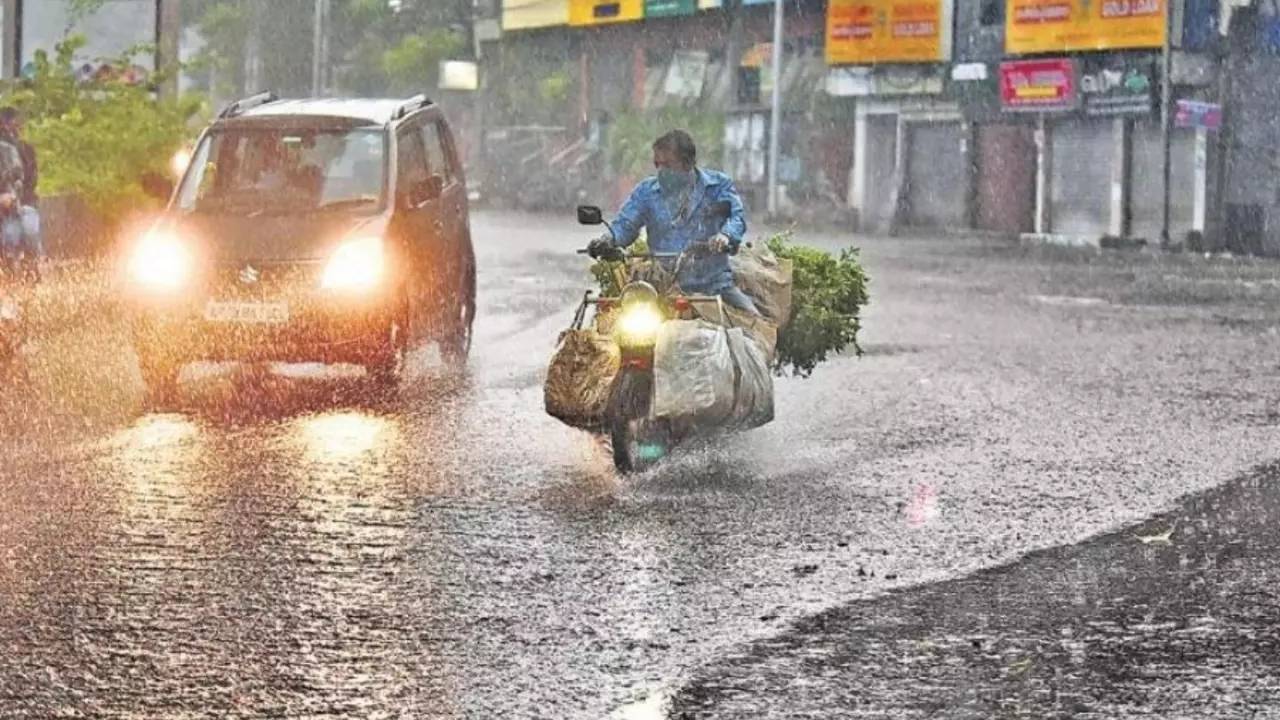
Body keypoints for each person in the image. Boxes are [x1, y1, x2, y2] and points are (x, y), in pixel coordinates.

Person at [587, 129, 757, 314]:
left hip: (714, 288)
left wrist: (725, 236)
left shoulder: (718, 186)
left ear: (688, 163)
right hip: (662, 291)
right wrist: (608, 240)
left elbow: (736, 218)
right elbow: (625, 225)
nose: (661, 171)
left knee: (755, 323)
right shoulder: (646, 192)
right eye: (657, 165)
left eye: (667, 165)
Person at [0, 107, 43, 278]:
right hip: (8, 209)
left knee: (28, 231)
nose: (12, 128)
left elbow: (27, 179)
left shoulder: (22, 150)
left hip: (20, 205)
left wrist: (13, 197)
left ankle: (30, 271)